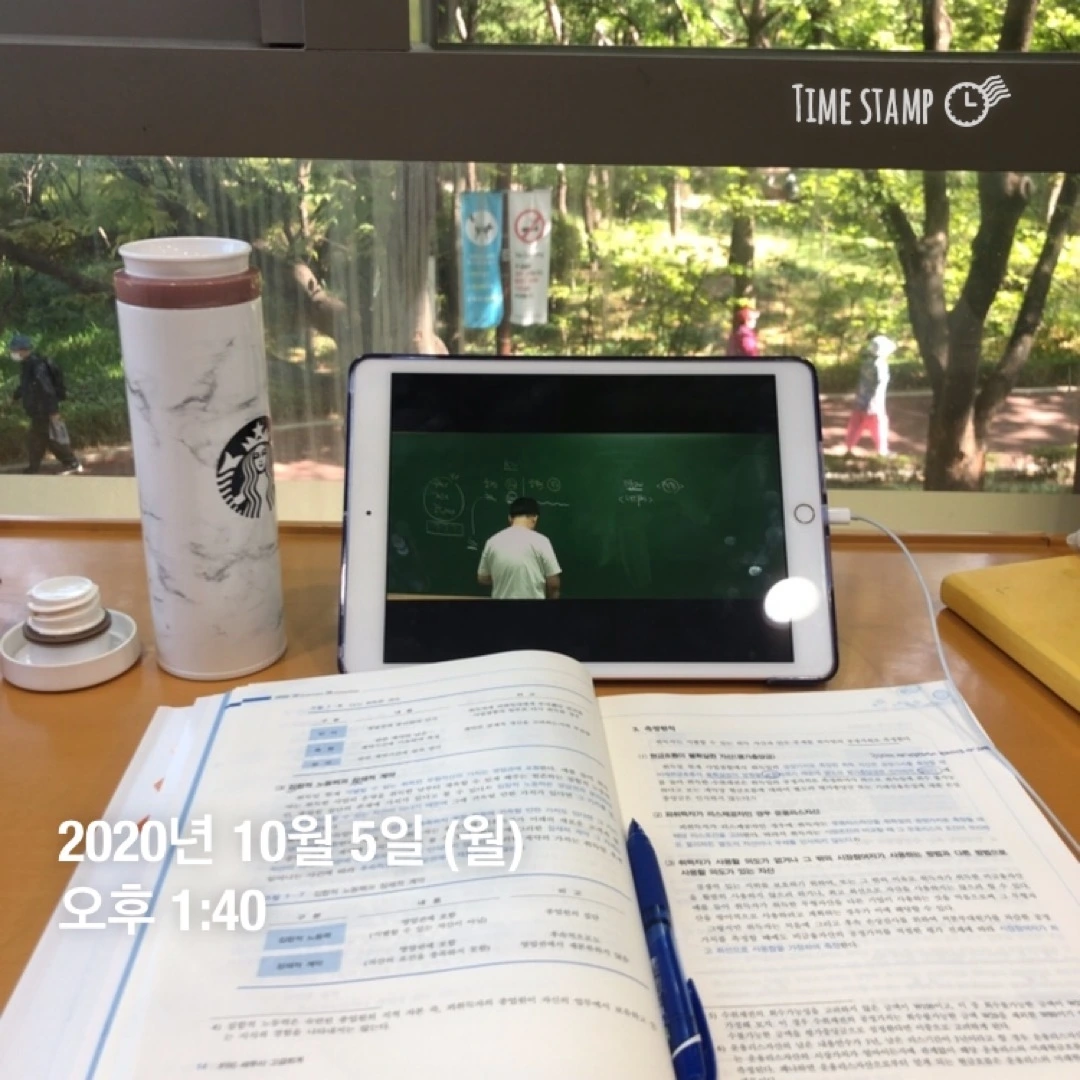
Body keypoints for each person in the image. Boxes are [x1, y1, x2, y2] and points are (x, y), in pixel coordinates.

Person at [9, 333, 82, 474]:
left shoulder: (37, 366)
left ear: (22, 350)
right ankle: (36, 467)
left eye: (14, 350)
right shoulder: (28, 365)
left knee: (45, 439)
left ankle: (71, 463)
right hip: (38, 411)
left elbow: (46, 389)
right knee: (41, 439)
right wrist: (15, 397)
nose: (12, 353)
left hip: (43, 410)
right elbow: (26, 386)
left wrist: (53, 411)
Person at [477, 496, 562, 600]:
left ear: (510, 518)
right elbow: (553, 584)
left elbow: (482, 578)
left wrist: (505, 577)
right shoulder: (542, 541)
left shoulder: (492, 542)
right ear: (535, 518)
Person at [844, 333, 897, 456]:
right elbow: (878, 383)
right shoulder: (881, 365)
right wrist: (874, 402)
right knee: (879, 426)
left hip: (860, 400)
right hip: (875, 403)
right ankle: (882, 451)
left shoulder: (866, 363)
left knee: (856, 425)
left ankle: (849, 448)